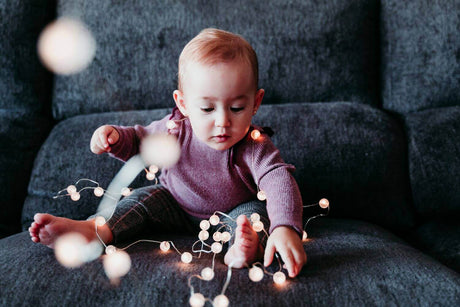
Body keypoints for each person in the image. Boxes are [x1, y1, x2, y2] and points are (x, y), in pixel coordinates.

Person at [29, 28, 306, 277]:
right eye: (207, 109)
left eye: (236, 108)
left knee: (253, 216)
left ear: (256, 102)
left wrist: (285, 226)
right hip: (174, 205)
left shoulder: (254, 145)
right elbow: (140, 141)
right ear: (183, 103)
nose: (223, 121)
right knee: (144, 198)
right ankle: (95, 230)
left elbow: (278, 179)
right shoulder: (174, 129)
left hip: (232, 213)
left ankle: (243, 248)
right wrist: (114, 138)